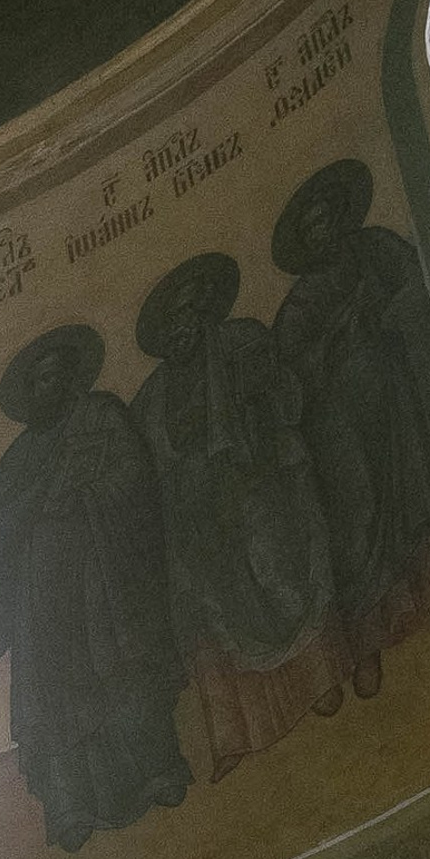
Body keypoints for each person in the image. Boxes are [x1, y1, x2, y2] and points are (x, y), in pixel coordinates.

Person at [0, 326, 189, 854]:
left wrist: (86, 496)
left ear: (73, 378)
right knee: (54, 701)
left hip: (104, 578)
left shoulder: (101, 417)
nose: (49, 387)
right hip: (41, 602)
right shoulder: (21, 455)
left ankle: (157, 771)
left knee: (122, 672)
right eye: (38, 382)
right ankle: (70, 806)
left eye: (57, 376)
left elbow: (138, 477)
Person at [131, 252, 348, 779]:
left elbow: (284, 395)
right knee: (202, 609)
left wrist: (255, 412)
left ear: (207, 310)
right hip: (194, 516)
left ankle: (321, 681)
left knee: (281, 570)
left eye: (190, 313)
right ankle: (235, 732)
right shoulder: (154, 394)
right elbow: (146, 470)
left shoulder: (243, 342)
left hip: (259, 483)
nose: (183, 327)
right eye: (172, 322)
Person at [270, 160, 430, 692]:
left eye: (329, 220)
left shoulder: (377, 251)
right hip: (340, 435)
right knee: (356, 532)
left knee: (416, 502)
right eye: (312, 230)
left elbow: (418, 292)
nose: (324, 234)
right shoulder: (298, 306)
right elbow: (291, 380)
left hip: (398, 402)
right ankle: (366, 648)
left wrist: (386, 315)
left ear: (343, 217)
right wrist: (340, 335)